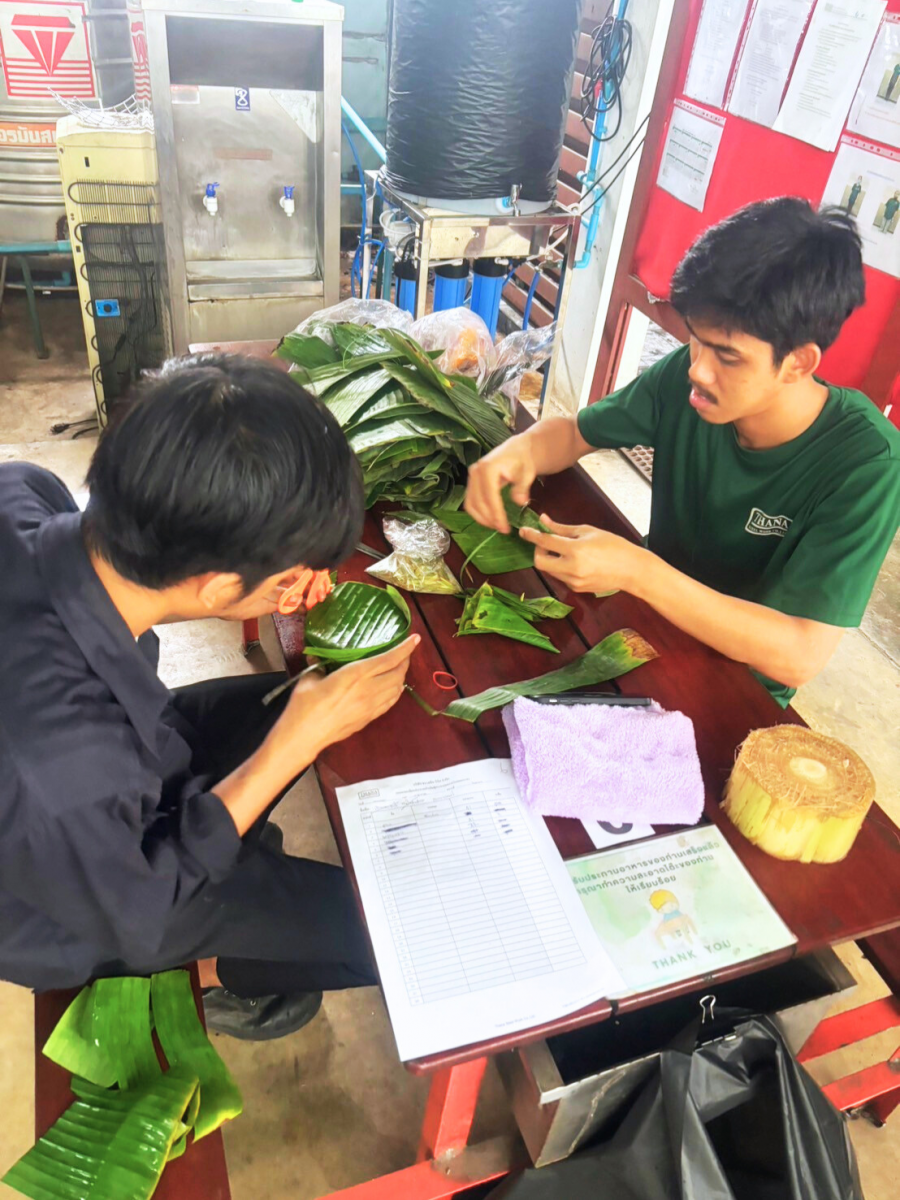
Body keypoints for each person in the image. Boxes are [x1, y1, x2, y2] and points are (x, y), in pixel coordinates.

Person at [0, 355, 418, 1040]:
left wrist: (280, 590)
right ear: (221, 587)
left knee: (308, 702)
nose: (302, 591)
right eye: (291, 581)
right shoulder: (65, 769)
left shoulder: (21, 492)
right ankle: (244, 977)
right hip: (98, 898)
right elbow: (144, 912)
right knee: (391, 929)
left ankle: (247, 854)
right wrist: (289, 749)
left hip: (126, 760)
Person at [466, 199, 900, 707]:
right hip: (644, 623)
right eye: (695, 339)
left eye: (727, 356)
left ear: (799, 363)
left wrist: (637, 570)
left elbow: (798, 654)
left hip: (735, 682)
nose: (698, 369)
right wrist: (517, 451)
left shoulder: (866, 463)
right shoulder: (686, 379)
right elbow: (574, 434)